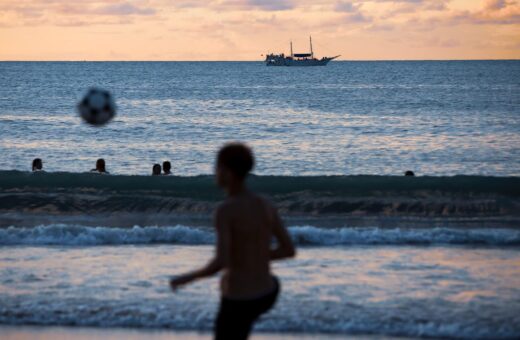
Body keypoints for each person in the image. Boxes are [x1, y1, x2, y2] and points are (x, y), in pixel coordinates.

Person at [169, 143, 295, 340]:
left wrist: (186, 278)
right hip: (268, 292)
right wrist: (255, 256)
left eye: (217, 167)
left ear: (227, 172)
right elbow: (288, 250)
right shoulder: (266, 205)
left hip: (238, 298)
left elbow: (222, 262)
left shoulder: (226, 210)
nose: (215, 173)